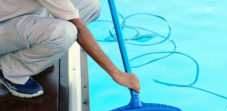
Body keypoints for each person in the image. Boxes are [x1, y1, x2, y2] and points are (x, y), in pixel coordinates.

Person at [0, 0, 141, 98]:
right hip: (4, 26)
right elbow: (78, 27)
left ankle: (33, 55)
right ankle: (9, 70)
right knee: (64, 33)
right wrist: (116, 73)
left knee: (91, 6)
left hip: (22, 14)